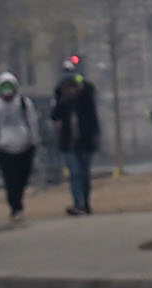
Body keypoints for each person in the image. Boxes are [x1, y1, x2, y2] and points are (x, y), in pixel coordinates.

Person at [0, 71, 39, 224]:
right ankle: (15, 208)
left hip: (24, 145)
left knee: (22, 179)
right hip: (4, 148)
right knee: (10, 180)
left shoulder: (24, 103)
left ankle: (18, 202)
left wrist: (33, 141)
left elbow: (32, 121)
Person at [50, 60, 100, 215]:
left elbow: (93, 116)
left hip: (85, 140)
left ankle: (85, 203)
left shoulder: (85, 94)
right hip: (69, 142)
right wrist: (63, 100)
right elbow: (55, 115)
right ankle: (77, 203)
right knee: (75, 173)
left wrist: (95, 135)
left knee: (84, 174)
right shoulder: (60, 95)